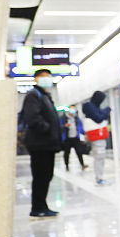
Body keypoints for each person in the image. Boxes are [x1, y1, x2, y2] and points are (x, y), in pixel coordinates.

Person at [19, 70, 63, 217]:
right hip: (40, 143)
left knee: (46, 176)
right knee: (41, 176)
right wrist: (47, 128)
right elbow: (32, 117)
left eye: (49, 77)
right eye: (44, 77)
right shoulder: (33, 95)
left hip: (47, 143)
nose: (48, 79)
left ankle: (42, 206)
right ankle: (37, 208)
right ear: (36, 79)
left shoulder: (45, 95)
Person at [81, 91, 112, 185]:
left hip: (99, 135)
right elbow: (99, 118)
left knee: (100, 157)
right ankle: (99, 178)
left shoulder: (94, 107)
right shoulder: (89, 106)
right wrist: (107, 110)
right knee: (99, 157)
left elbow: (101, 116)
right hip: (96, 135)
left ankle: (100, 177)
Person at [61, 107, 87, 172]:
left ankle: (82, 164)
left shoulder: (77, 118)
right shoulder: (63, 118)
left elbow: (80, 127)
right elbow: (59, 127)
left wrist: (84, 134)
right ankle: (66, 165)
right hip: (67, 138)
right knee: (67, 153)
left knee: (79, 151)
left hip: (76, 137)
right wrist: (64, 126)